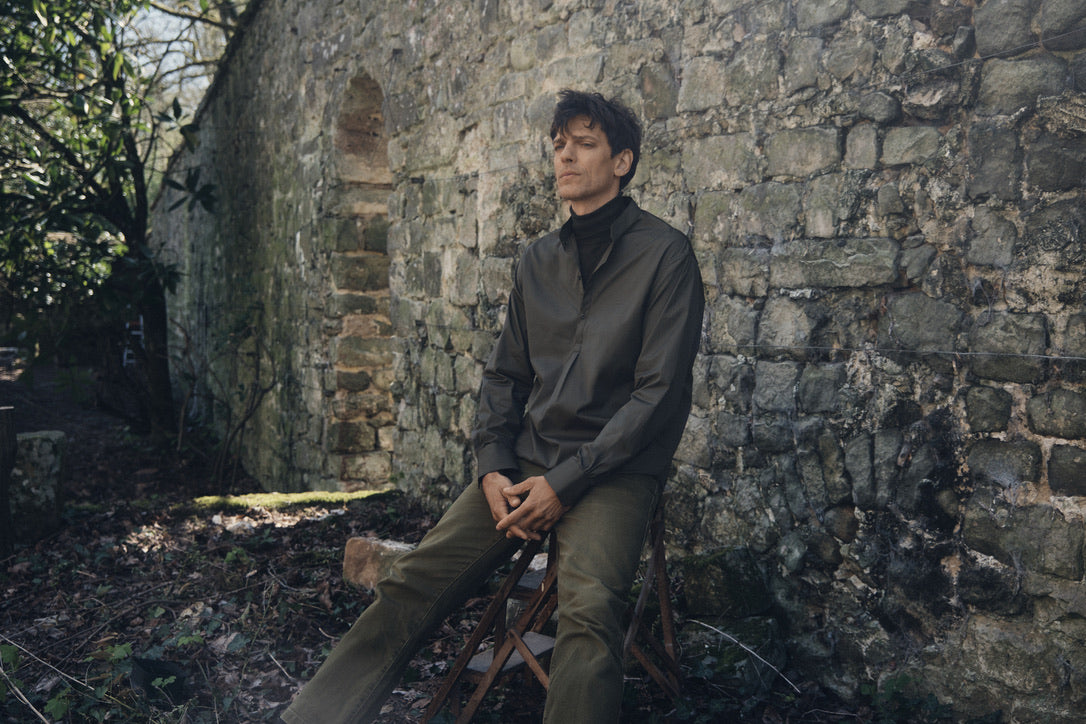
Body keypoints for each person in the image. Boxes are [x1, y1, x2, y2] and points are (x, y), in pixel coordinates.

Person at [282, 89, 704, 724]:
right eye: (559, 145)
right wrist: (492, 468)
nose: (565, 156)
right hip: (525, 464)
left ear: (622, 161)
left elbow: (658, 395)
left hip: (618, 470)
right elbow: (505, 376)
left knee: (588, 618)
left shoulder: (666, 256)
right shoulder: (537, 262)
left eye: (583, 144)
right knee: (411, 584)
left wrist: (566, 483)